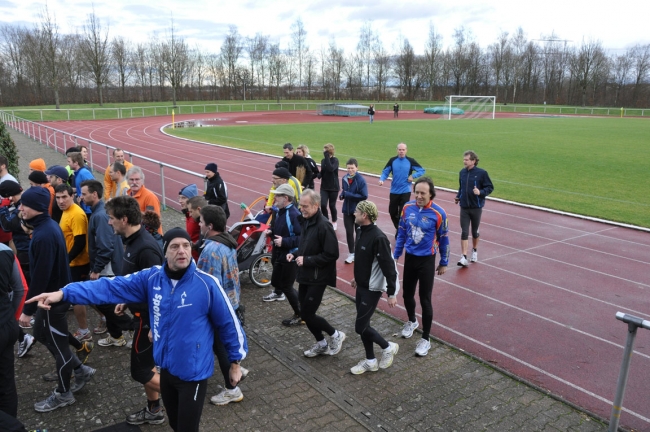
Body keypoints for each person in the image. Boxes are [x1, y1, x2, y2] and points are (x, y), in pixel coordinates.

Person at [27, 228, 248, 432]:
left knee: (187, 428)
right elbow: (109, 286)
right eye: (174, 246)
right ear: (165, 252)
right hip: (166, 368)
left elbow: (229, 324)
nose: (182, 250)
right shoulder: (151, 278)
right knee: (175, 423)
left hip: (194, 373)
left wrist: (235, 363)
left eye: (186, 245)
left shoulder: (206, 284)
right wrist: (65, 293)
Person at [18, 187, 95, 412]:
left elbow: (41, 276)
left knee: (59, 347)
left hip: (52, 300)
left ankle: (64, 393)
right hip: (51, 297)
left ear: (38, 208)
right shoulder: (47, 227)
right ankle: (81, 370)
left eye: (25, 204)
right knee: (42, 334)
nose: (21, 208)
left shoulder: (43, 235)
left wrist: (27, 310)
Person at [104, 196, 165, 425]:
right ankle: (154, 410)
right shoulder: (131, 241)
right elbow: (138, 284)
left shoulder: (146, 248)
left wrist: (153, 326)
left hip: (147, 323)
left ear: (124, 219)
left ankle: (185, 392)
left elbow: (158, 292)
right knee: (147, 367)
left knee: (140, 372)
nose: (109, 222)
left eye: (111, 218)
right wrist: (127, 300)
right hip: (140, 317)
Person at [196, 205, 247, 406]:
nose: (199, 224)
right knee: (225, 344)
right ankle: (236, 369)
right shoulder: (227, 242)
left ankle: (232, 389)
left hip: (220, 307)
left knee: (221, 347)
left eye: (201, 221)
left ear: (209, 226)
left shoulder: (210, 250)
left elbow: (207, 284)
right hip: (231, 301)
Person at [393, 177, 449, 357]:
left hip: (427, 260)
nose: (418, 196)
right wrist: (396, 255)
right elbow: (401, 232)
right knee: (406, 294)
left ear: (431, 194)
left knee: (425, 299)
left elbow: (444, 239)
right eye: (416, 192)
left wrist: (444, 262)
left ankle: (426, 339)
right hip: (410, 257)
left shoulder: (439, 213)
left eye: (422, 193)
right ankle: (411, 321)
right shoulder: (407, 208)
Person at [287, 189, 345, 358]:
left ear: (315, 205)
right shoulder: (306, 220)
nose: (301, 209)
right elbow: (306, 245)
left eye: (305, 206)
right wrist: (297, 253)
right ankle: (321, 344)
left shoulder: (324, 225)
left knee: (308, 314)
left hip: (318, 277)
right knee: (305, 312)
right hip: (305, 274)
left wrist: (307, 260)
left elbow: (332, 254)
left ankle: (336, 335)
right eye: (300, 205)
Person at [349, 201, 400, 374]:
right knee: (365, 325)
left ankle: (387, 347)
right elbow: (362, 259)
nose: (353, 213)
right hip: (362, 286)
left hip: (372, 289)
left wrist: (392, 293)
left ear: (364, 215)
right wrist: (357, 278)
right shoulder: (360, 231)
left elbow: (389, 267)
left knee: (360, 327)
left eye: (356, 211)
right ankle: (370, 360)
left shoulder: (378, 238)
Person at [80, 180, 130, 349]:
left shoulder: (100, 216)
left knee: (106, 304)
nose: (81, 197)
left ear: (94, 194)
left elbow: (106, 247)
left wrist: (96, 269)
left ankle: (134, 329)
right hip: (107, 267)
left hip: (107, 269)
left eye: (84, 193)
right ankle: (117, 336)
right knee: (107, 304)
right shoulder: (99, 213)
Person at [55, 183, 92, 343]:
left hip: (78, 263)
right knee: (87, 294)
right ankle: (106, 317)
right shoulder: (66, 211)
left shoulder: (76, 213)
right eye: (58, 198)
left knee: (77, 297)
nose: (61, 201)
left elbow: (79, 242)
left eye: (64, 197)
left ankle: (84, 330)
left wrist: (66, 260)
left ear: (72, 196)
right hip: (72, 263)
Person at [262, 184, 302, 324]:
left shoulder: (294, 214)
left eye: (277, 196)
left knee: (287, 286)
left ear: (286, 198)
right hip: (279, 254)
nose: (274, 198)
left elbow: (301, 238)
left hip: (290, 256)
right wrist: (272, 231)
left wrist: (284, 242)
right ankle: (300, 309)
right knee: (277, 282)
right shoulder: (279, 211)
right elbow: (279, 227)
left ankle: (301, 314)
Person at [454, 150, 494, 267]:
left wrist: (480, 192)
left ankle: (475, 250)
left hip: (476, 207)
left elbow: (490, 187)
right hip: (464, 207)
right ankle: (463, 256)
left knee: (475, 231)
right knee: (464, 231)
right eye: (464, 159)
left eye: (466, 160)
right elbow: (461, 187)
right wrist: (458, 197)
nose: (464, 161)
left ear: (473, 161)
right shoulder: (462, 172)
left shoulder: (482, 173)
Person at [0, 242, 24, 425]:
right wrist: (12, 317)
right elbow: (20, 289)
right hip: (7, 324)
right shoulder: (5, 250)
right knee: (6, 382)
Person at [379, 143, 426, 232]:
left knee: (402, 212)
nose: (401, 151)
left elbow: (421, 170)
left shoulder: (410, 161)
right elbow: (385, 171)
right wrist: (382, 179)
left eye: (403, 150)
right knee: (392, 212)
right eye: (400, 150)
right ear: (397, 150)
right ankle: (399, 228)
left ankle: (400, 232)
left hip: (405, 190)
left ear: (406, 150)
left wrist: (413, 176)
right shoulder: (392, 160)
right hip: (394, 191)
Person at [339, 158, 368, 264]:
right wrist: (342, 194)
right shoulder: (344, 178)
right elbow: (345, 190)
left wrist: (348, 195)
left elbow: (364, 196)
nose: (350, 170)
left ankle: (358, 252)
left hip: (358, 211)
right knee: (349, 232)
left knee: (358, 232)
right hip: (346, 210)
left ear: (357, 168)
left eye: (352, 168)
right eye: (348, 168)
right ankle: (352, 253)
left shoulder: (360, 180)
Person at [126, 166, 162, 234]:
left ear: (142, 181)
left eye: (137, 179)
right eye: (131, 179)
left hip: (150, 237)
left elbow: (152, 222)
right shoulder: (127, 195)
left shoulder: (150, 197)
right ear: (127, 181)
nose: (134, 182)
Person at [66, 151, 94, 215]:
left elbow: (94, 186)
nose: (68, 164)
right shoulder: (77, 173)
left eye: (69, 162)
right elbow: (81, 187)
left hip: (89, 210)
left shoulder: (84, 173)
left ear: (75, 163)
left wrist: (82, 196)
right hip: (84, 208)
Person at [319, 143, 340, 231]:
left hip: (333, 187)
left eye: (325, 150)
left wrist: (327, 157)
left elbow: (331, 169)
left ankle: (334, 221)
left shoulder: (335, 160)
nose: (323, 152)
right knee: (323, 204)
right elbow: (323, 170)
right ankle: (326, 220)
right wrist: (318, 175)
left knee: (332, 205)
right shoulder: (323, 160)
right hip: (324, 186)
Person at [179, 184, 201, 261]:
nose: (180, 201)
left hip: (198, 258)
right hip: (190, 255)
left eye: (183, 198)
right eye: (180, 198)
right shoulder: (188, 214)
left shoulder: (198, 216)